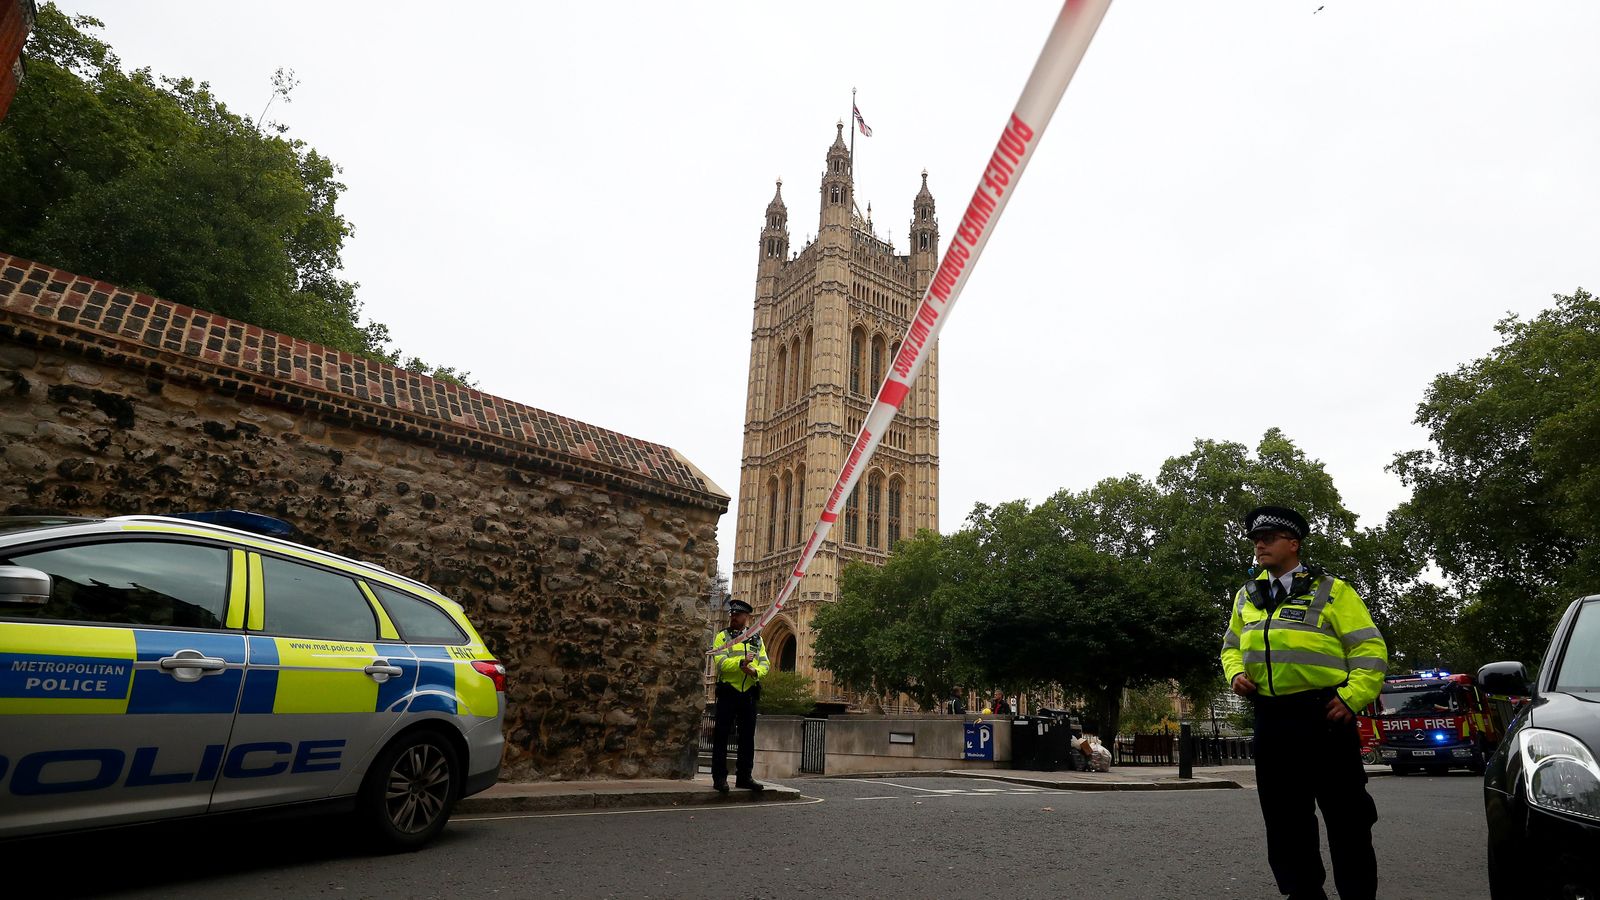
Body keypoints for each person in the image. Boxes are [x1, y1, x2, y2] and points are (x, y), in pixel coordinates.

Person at [1220, 505, 1388, 900]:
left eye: (1270, 538)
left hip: (1325, 714)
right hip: (1271, 718)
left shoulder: (1333, 590)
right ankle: (1303, 894)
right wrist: (1235, 674)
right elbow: (1230, 647)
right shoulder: (1246, 595)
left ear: (1294, 544)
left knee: (1347, 818)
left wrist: (1351, 697)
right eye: (1256, 540)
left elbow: (1369, 647)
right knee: (1284, 820)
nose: (1260, 544)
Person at [709, 599, 769, 793]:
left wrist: (755, 672)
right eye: (732, 615)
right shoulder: (722, 637)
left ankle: (744, 777)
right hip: (728, 691)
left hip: (748, 692)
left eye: (737, 615)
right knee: (721, 736)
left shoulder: (756, 639)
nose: (734, 617)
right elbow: (720, 662)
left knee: (747, 738)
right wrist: (740, 662)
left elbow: (765, 663)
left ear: (746, 617)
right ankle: (719, 778)